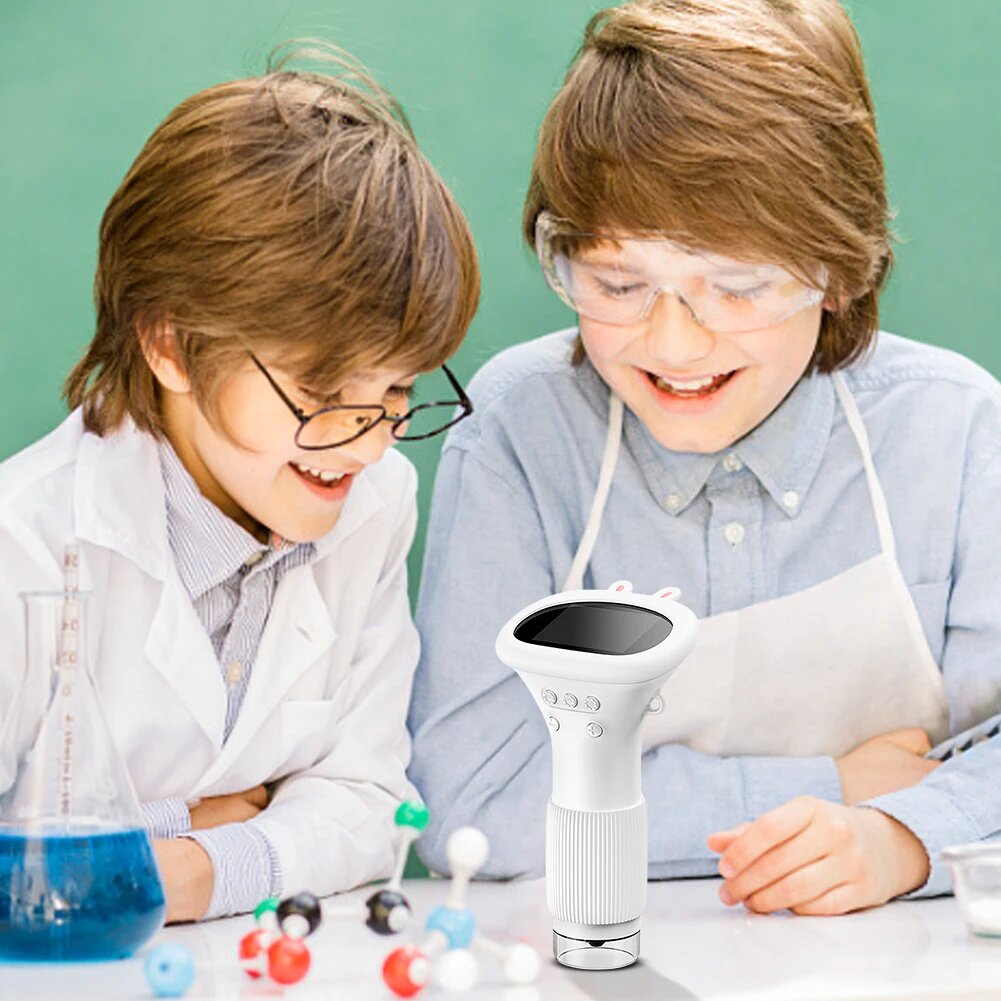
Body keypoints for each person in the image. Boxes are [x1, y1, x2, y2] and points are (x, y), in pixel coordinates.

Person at [408, 0, 1001, 915]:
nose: (674, 344)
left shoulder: (954, 430)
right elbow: (473, 801)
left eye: (735, 287)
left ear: (839, 270)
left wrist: (903, 838)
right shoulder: (517, 434)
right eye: (617, 284)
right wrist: (840, 783)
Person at [0, 49, 479, 922]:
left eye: (398, 389)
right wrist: (185, 820)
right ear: (170, 345)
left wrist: (195, 868)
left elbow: (368, 802)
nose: (367, 441)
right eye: (321, 391)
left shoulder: (374, 501)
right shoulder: (23, 542)